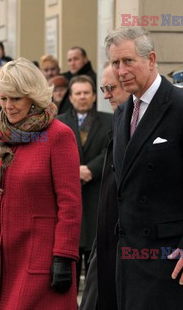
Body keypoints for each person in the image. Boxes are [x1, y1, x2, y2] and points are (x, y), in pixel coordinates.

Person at [105, 26, 183, 309]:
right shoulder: (122, 112)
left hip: (174, 262)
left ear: (151, 59)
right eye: (115, 63)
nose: (121, 70)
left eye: (128, 61)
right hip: (131, 261)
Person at [0, 58, 82, 309]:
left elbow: (70, 203)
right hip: (4, 259)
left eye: (16, 99)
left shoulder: (58, 135)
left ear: (33, 97)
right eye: (3, 98)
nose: (8, 106)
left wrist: (64, 256)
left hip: (43, 261)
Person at [80, 63, 130, 310]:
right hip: (106, 233)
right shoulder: (122, 119)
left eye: (110, 88)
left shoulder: (119, 120)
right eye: (103, 88)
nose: (106, 94)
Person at [56, 75, 112, 292]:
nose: (82, 97)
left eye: (86, 93)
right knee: (70, 253)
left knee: (96, 259)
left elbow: (111, 149)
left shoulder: (109, 120)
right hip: (70, 196)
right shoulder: (59, 122)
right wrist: (74, 171)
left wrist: (92, 169)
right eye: (77, 93)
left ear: (94, 96)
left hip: (97, 194)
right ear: (70, 97)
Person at [59, 47, 97, 113]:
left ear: (85, 59)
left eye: (76, 59)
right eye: (69, 60)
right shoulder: (66, 78)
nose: (72, 63)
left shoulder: (92, 80)